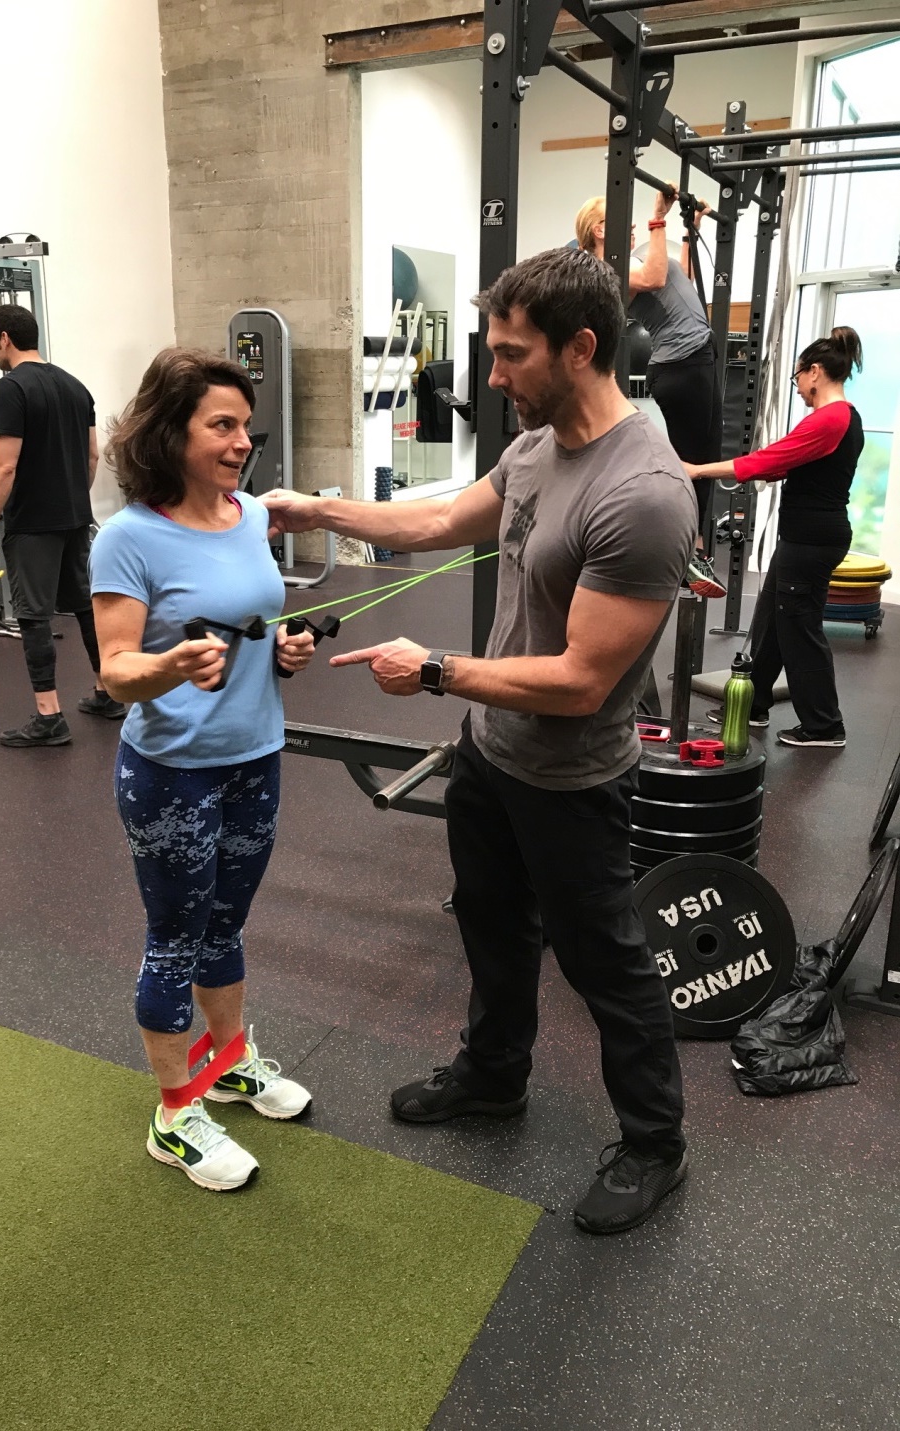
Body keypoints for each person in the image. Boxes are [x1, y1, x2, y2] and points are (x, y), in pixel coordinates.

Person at [262, 248, 698, 1235]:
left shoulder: (643, 493)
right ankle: (494, 1076)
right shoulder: (537, 445)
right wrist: (314, 509)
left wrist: (434, 670)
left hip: (571, 777)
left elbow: (584, 679)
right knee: (489, 924)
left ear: (580, 348)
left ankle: (654, 1143)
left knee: (604, 964)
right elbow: (437, 520)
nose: (492, 378)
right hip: (489, 757)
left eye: (510, 356)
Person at [90, 348, 317, 1193]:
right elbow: (115, 669)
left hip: (255, 756)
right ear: (170, 431)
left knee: (228, 924)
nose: (240, 443)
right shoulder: (128, 538)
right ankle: (173, 1112)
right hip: (172, 771)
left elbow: (256, 630)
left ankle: (226, 1061)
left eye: (244, 428)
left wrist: (282, 654)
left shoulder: (250, 516)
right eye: (221, 425)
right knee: (176, 938)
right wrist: (170, 667)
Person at [686, 326, 864, 749]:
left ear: (814, 372)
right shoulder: (836, 418)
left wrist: (697, 469)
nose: (798, 387)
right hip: (802, 536)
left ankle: (824, 726)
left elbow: (770, 459)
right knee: (771, 618)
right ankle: (754, 704)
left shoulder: (831, 417)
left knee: (799, 627)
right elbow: (779, 466)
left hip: (812, 539)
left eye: (798, 377)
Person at [0, 303, 126, 747]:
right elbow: (93, 455)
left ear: (5, 337)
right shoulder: (75, 386)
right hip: (74, 518)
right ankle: (107, 693)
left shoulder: (11, 389)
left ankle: (49, 717)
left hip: (32, 523)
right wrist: (74, 501)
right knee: (84, 606)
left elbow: (3, 466)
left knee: (33, 616)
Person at [577, 190, 725, 599]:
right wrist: (658, 217)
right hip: (681, 365)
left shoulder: (633, 260)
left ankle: (692, 551)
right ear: (599, 229)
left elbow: (678, 280)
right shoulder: (605, 270)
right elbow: (656, 279)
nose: (631, 226)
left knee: (707, 457)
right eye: (620, 220)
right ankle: (685, 551)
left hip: (696, 357)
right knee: (696, 463)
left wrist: (689, 232)